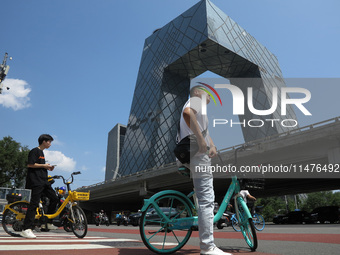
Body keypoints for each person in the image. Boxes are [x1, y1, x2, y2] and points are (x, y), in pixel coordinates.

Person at [177, 86, 232, 255]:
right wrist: (201, 142)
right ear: (197, 92)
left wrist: (212, 145)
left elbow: (203, 131)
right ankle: (208, 247)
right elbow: (188, 113)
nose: (209, 96)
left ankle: (206, 241)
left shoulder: (200, 111)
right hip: (197, 153)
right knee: (207, 199)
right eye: (207, 93)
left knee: (202, 196)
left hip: (188, 154)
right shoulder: (197, 100)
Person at [21, 134, 59, 239]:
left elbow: (38, 166)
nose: (50, 144)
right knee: (34, 204)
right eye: (49, 142)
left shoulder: (42, 153)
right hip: (36, 182)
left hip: (44, 181)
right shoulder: (35, 151)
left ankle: (47, 223)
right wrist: (44, 165)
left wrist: (48, 168)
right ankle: (26, 229)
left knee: (55, 198)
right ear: (44, 141)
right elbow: (30, 164)